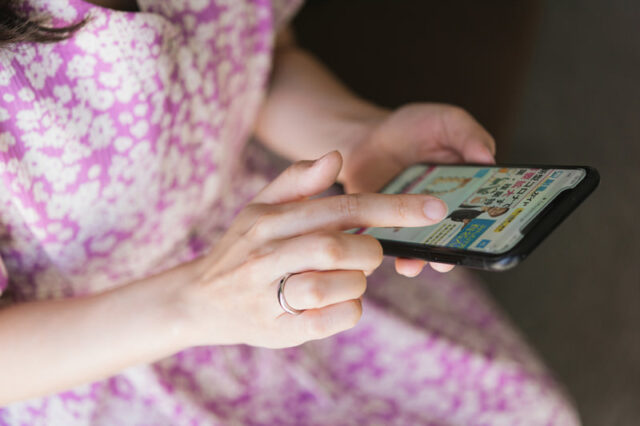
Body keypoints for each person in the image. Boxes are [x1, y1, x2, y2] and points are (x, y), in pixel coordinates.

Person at [0, 0, 580, 424]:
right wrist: (196, 302)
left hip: (286, 244)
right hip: (99, 354)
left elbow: (251, 56)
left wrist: (358, 136)